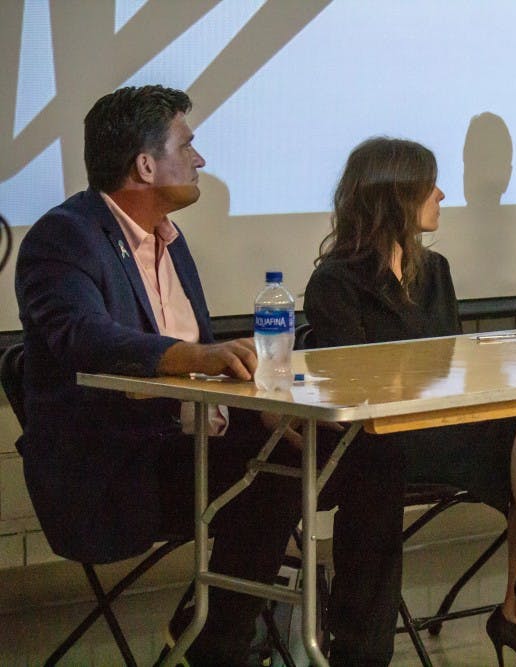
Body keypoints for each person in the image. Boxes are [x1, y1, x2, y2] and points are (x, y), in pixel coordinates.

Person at [13, 85, 304, 665]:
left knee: (313, 447)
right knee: (285, 464)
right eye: (187, 145)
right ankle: (222, 638)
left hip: (185, 446)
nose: (200, 160)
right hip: (114, 470)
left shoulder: (170, 240)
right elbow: (82, 337)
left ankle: (234, 628)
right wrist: (196, 356)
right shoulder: (64, 236)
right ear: (145, 165)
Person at [303, 137, 516, 667]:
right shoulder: (335, 281)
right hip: (378, 438)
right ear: (393, 195)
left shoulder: (436, 272)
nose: (441, 194)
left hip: (437, 425)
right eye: (427, 184)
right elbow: (354, 386)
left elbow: (452, 368)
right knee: (385, 471)